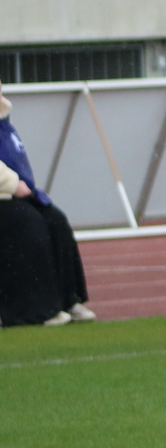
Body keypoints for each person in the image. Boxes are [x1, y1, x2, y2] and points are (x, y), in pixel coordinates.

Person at [0, 85, 93, 327]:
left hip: (11, 194)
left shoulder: (4, 120)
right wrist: (12, 184)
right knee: (28, 224)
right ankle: (35, 309)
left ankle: (68, 299)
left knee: (55, 220)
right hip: (4, 195)